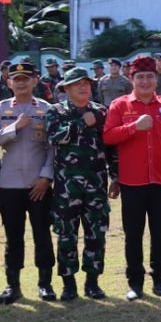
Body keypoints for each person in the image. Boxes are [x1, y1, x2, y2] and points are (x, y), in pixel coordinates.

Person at [103, 56, 161, 300]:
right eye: (140, 76)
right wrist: (134, 127)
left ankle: (160, 281)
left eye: (150, 76)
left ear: (156, 79)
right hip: (132, 182)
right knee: (133, 234)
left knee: (160, 233)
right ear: (131, 79)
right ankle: (135, 283)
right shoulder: (120, 105)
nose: (145, 81)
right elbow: (108, 136)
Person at [0, 61, 56, 304]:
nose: (21, 82)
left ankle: (45, 284)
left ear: (35, 81)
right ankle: (12, 285)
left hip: (39, 184)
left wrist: (46, 176)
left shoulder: (47, 109)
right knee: (13, 236)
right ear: (9, 82)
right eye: (17, 78)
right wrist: (14, 126)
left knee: (42, 234)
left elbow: (53, 148)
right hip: (10, 183)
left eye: (27, 77)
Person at [43, 67, 112, 301]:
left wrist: (117, 175)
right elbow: (54, 136)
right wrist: (82, 123)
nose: (82, 87)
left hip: (96, 185)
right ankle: (68, 284)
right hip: (66, 186)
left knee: (96, 234)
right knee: (66, 236)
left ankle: (92, 283)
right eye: (76, 84)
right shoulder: (56, 112)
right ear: (66, 89)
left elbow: (111, 147)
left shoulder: (102, 112)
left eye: (86, 83)